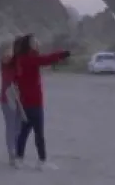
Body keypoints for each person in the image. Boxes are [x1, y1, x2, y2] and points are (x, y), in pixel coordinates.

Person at [10, 35, 70, 170]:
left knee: (24, 131)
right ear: (30, 45)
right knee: (38, 133)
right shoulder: (31, 58)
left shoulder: (21, 59)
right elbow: (46, 59)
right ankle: (42, 161)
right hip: (34, 102)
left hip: (26, 101)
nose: (37, 42)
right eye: (34, 41)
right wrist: (62, 54)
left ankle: (19, 159)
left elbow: (16, 78)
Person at [0, 47, 24, 165]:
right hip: (8, 98)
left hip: (20, 99)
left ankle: (16, 152)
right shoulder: (7, 63)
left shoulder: (21, 63)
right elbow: (5, 58)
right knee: (11, 126)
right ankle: (11, 153)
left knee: (18, 127)